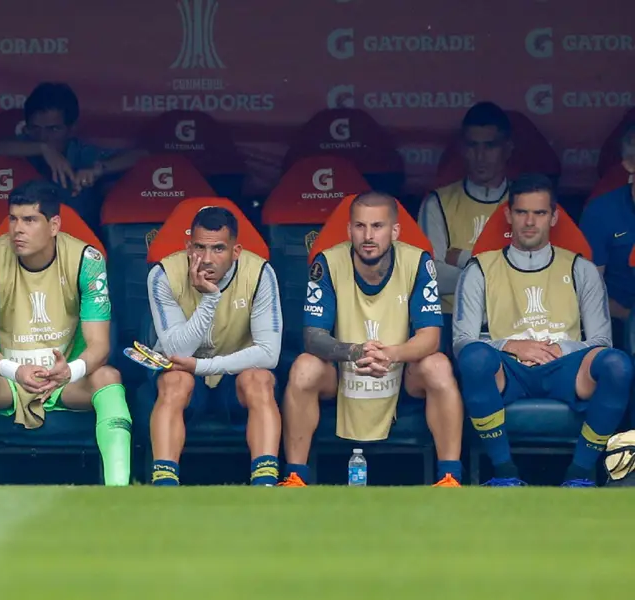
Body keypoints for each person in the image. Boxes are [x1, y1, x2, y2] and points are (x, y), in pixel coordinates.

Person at [453, 173, 632, 487]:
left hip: (566, 367)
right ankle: (505, 473)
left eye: (539, 213)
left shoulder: (581, 268)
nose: (530, 222)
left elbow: (602, 339)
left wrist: (563, 349)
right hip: (509, 369)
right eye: (522, 212)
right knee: (473, 359)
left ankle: (579, 475)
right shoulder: (481, 268)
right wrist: (511, 345)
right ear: (508, 215)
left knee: (618, 365)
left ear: (554, 217)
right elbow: (462, 342)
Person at [0, 179, 131, 486]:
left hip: (65, 381)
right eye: (13, 219)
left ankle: (119, 491)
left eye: (30, 220)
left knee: (108, 377)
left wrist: (70, 371)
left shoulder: (86, 261)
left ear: (54, 225)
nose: (17, 229)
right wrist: (16, 370)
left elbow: (99, 345)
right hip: (8, 379)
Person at [281, 192, 464, 487]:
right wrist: (355, 351)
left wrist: (389, 354)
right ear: (349, 229)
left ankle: (449, 476)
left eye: (377, 227)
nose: (368, 236)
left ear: (394, 231)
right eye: (360, 226)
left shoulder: (418, 261)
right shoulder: (327, 261)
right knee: (304, 366)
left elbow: (430, 337)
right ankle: (295, 477)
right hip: (343, 369)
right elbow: (313, 338)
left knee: (438, 365)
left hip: (402, 370)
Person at [146, 206, 283, 486]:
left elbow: (270, 354)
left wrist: (205, 366)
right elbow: (177, 351)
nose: (206, 259)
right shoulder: (163, 274)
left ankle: (265, 482)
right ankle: (164, 485)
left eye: (218, 249)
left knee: (259, 379)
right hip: (183, 376)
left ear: (236, 251)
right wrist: (210, 299)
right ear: (188, 246)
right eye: (199, 248)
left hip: (236, 378)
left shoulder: (260, 273)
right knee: (175, 381)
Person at [0, 82, 146, 226]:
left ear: (71, 129)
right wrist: (43, 149)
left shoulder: (82, 153)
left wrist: (98, 170)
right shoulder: (22, 145)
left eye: (54, 129)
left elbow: (143, 156)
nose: (43, 137)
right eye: (36, 128)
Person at [419, 102, 513, 315]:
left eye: (490, 146)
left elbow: (539, 271)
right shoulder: (437, 202)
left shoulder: (526, 203)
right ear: (463, 149)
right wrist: (502, 276)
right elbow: (430, 275)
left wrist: (461, 257)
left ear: (507, 149)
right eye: (473, 146)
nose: (480, 156)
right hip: (451, 321)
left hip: (513, 322)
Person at [580, 123, 635, 342]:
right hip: (619, 322)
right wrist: (629, 316)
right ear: (630, 163)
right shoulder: (601, 211)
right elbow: (589, 291)